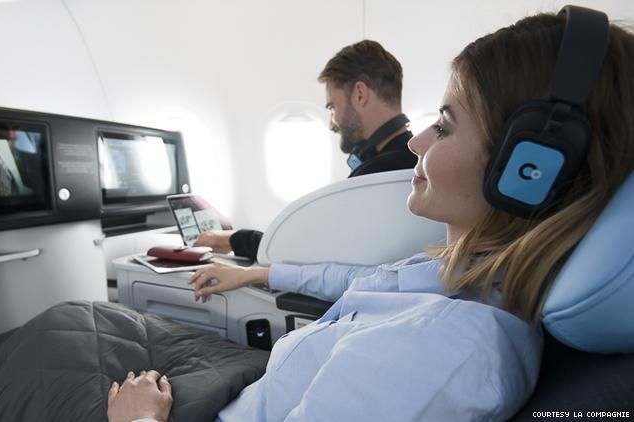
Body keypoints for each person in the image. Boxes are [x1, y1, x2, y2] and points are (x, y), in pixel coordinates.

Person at [108, 8, 634, 422]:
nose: (417, 142)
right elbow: (367, 280)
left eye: (445, 126)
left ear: (529, 169)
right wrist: (258, 272)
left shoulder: (443, 349)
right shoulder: (468, 270)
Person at [195, 39, 416, 261]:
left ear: (360, 94)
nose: (332, 123)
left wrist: (226, 239)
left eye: (332, 107)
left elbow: (308, 253)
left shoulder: (374, 176)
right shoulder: (416, 161)